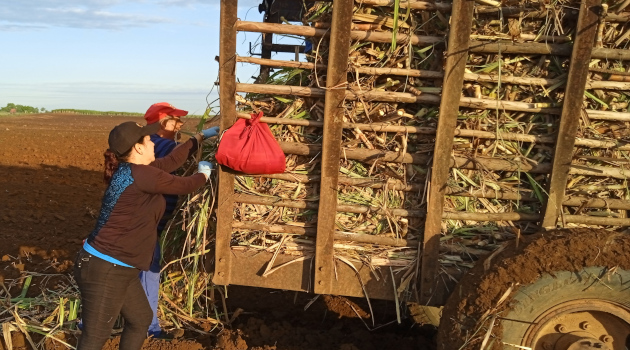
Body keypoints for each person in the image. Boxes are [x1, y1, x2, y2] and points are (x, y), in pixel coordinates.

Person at [74, 121, 216, 350]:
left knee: (140, 320)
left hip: (119, 266)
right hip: (106, 267)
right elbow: (185, 185)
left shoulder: (134, 170)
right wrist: (204, 174)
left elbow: (171, 161)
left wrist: (199, 138)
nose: (153, 142)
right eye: (148, 139)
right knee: (95, 336)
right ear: (138, 148)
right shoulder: (142, 175)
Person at [139, 102, 219, 337]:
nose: (180, 125)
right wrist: (199, 141)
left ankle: (133, 321)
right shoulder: (157, 144)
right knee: (148, 270)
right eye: (176, 120)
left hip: (150, 223)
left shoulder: (153, 145)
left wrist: (199, 139)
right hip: (146, 226)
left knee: (137, 271)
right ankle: (149, 327)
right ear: (163, 122)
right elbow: (176, 157)